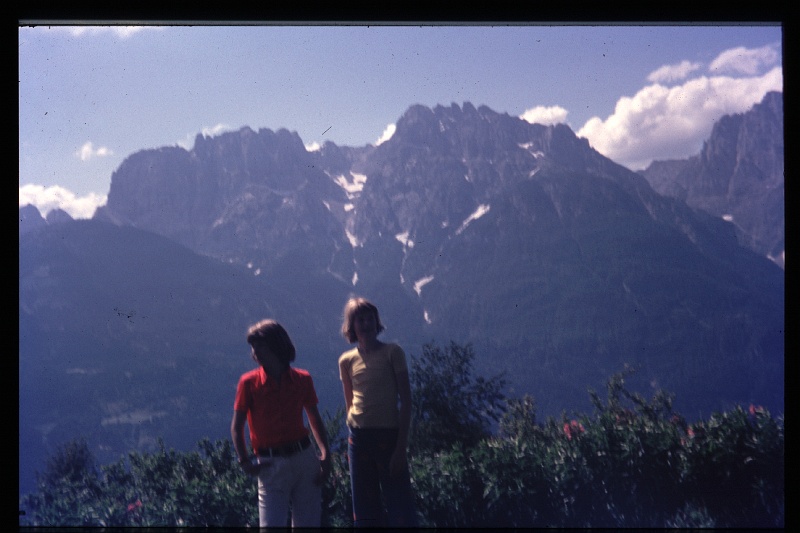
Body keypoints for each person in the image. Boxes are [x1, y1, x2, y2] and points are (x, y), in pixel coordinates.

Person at [231, 319, 330, 528]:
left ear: (277, 346)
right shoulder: (248, 383)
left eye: (260, 346)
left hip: (304, 459)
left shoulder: (302, 379)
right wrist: (244, 461)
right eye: (253, 347)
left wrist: (325, 454)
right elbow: (237, 426)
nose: (255, 352)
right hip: (270, 463)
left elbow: (314, 418)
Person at [338, 297, 418, 527]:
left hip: (389, 437)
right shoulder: (346, 360)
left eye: (369, 319)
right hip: (359, 439)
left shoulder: (393, 352)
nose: (366, 324)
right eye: (360, 320)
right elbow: (349, 403)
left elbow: (406, 400)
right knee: (364, 508)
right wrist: (352, 433)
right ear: (352, 326)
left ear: (377, 322)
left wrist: (401, 448)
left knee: (400, 503)